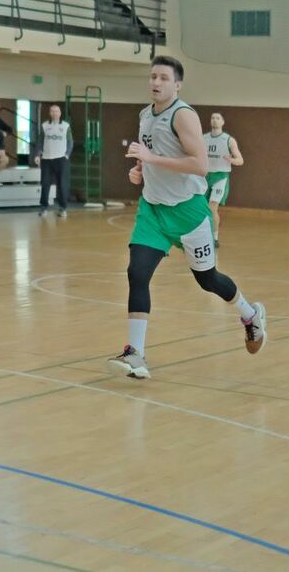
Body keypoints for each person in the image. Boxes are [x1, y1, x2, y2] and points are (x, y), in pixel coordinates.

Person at [109, 56, 266, 380]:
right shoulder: (144, 114)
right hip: (152, 209)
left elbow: (200, 166)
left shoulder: (183, 116)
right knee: (136, 272)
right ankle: (136, 354)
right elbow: (149, 153)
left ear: (177, 84)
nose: (156, 82)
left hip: (188, 212)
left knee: (207, 280)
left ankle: (250, 315)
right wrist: (140, 169)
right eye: (153, 76)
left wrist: (151, 158)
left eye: (164, 78)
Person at [204, 112, 243, 247]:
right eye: (212, 118)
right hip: (205, 176)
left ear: (222, 122)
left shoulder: (228, 140)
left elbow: (240, 160)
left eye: (218, 118)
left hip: (220, 177)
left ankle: (214, 238)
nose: (215, 120)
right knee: (201, 208)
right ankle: (201, 235)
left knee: (212, 208)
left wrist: (231, 160)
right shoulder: (204, 139)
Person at [34, 103, 72, 218]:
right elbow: (40, 141)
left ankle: (63, 208)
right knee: (45, 184)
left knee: (62, 184)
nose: (55, 113)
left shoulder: (66, 126)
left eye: (57, 111)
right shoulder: (45, 125)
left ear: (60, 113)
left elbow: (70, 142)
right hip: (46, 159)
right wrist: (37, 154)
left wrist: (67, 154)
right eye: (52, 111)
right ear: (50, 113)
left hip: (61, 159)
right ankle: (44, 207)